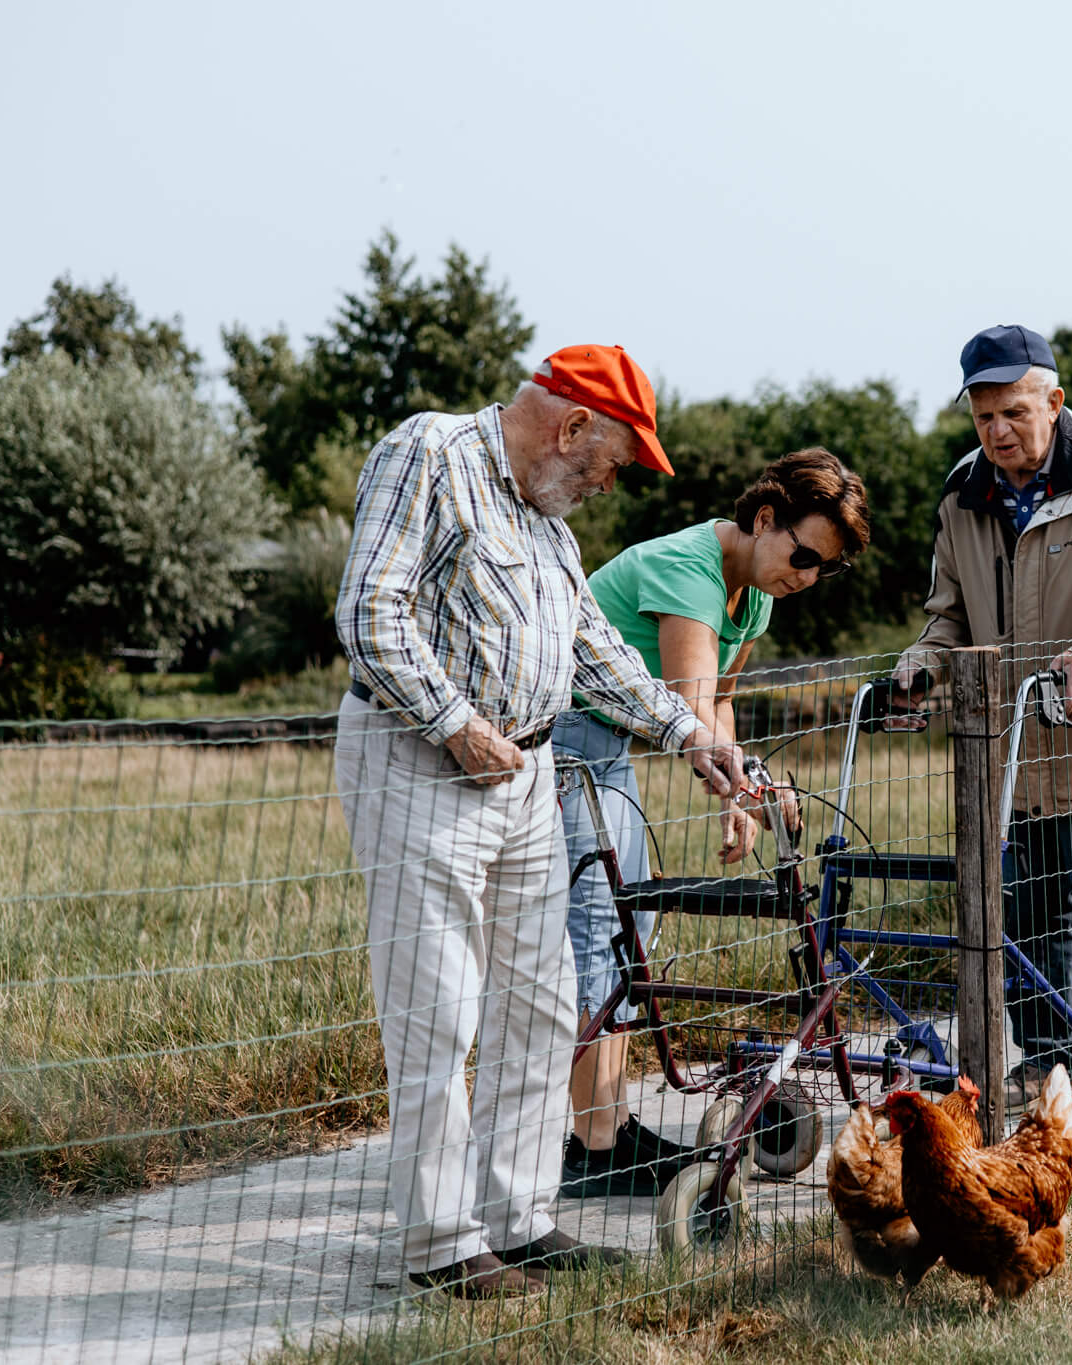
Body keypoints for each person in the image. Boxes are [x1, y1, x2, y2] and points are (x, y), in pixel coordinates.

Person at [334, 344, 747, 1300]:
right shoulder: (431, 455)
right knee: (437, 1005)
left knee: (543, 996)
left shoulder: (549, 529)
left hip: (528, 769)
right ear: (570, 428)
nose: (609, 484)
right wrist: (453, 722)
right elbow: (371, 610)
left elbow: (595, 651)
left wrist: (690, 731)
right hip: (422, 759)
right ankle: (442, 1243)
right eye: (610, 463)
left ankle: (518, 1220)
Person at [554, 447, 872, 1197]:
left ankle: (607, 1127)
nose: (805, 575)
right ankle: (594, 1144)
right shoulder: (690, 568)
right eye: (802, 554)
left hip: (609, 742)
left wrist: (737, 795)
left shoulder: (753, 594)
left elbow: (719, 706)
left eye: (821, 567)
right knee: (603, 930)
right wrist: (756, 784)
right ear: (764, 519)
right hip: (564, 736)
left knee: (631, 927)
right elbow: (690, 710)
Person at [893, 324, 1072, 1110]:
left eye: (1014, 412)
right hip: (1009, 752)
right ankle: (1046, 1058)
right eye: (983, 417)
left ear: (1054, 401)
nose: (998, 432)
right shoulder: (963, 491)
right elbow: (947, 612)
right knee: (1025, 917)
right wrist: (921, 662)